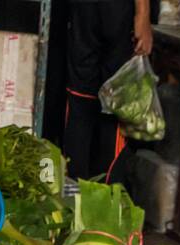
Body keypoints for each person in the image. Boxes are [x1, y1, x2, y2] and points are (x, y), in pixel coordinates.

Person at [63, 0, 156, 181]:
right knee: (100, 102)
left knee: (91, 101)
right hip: (112, 12)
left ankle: (76, 197)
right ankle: (100, 195)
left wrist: (142, 15)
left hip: (93, 12)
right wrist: (143, 14)